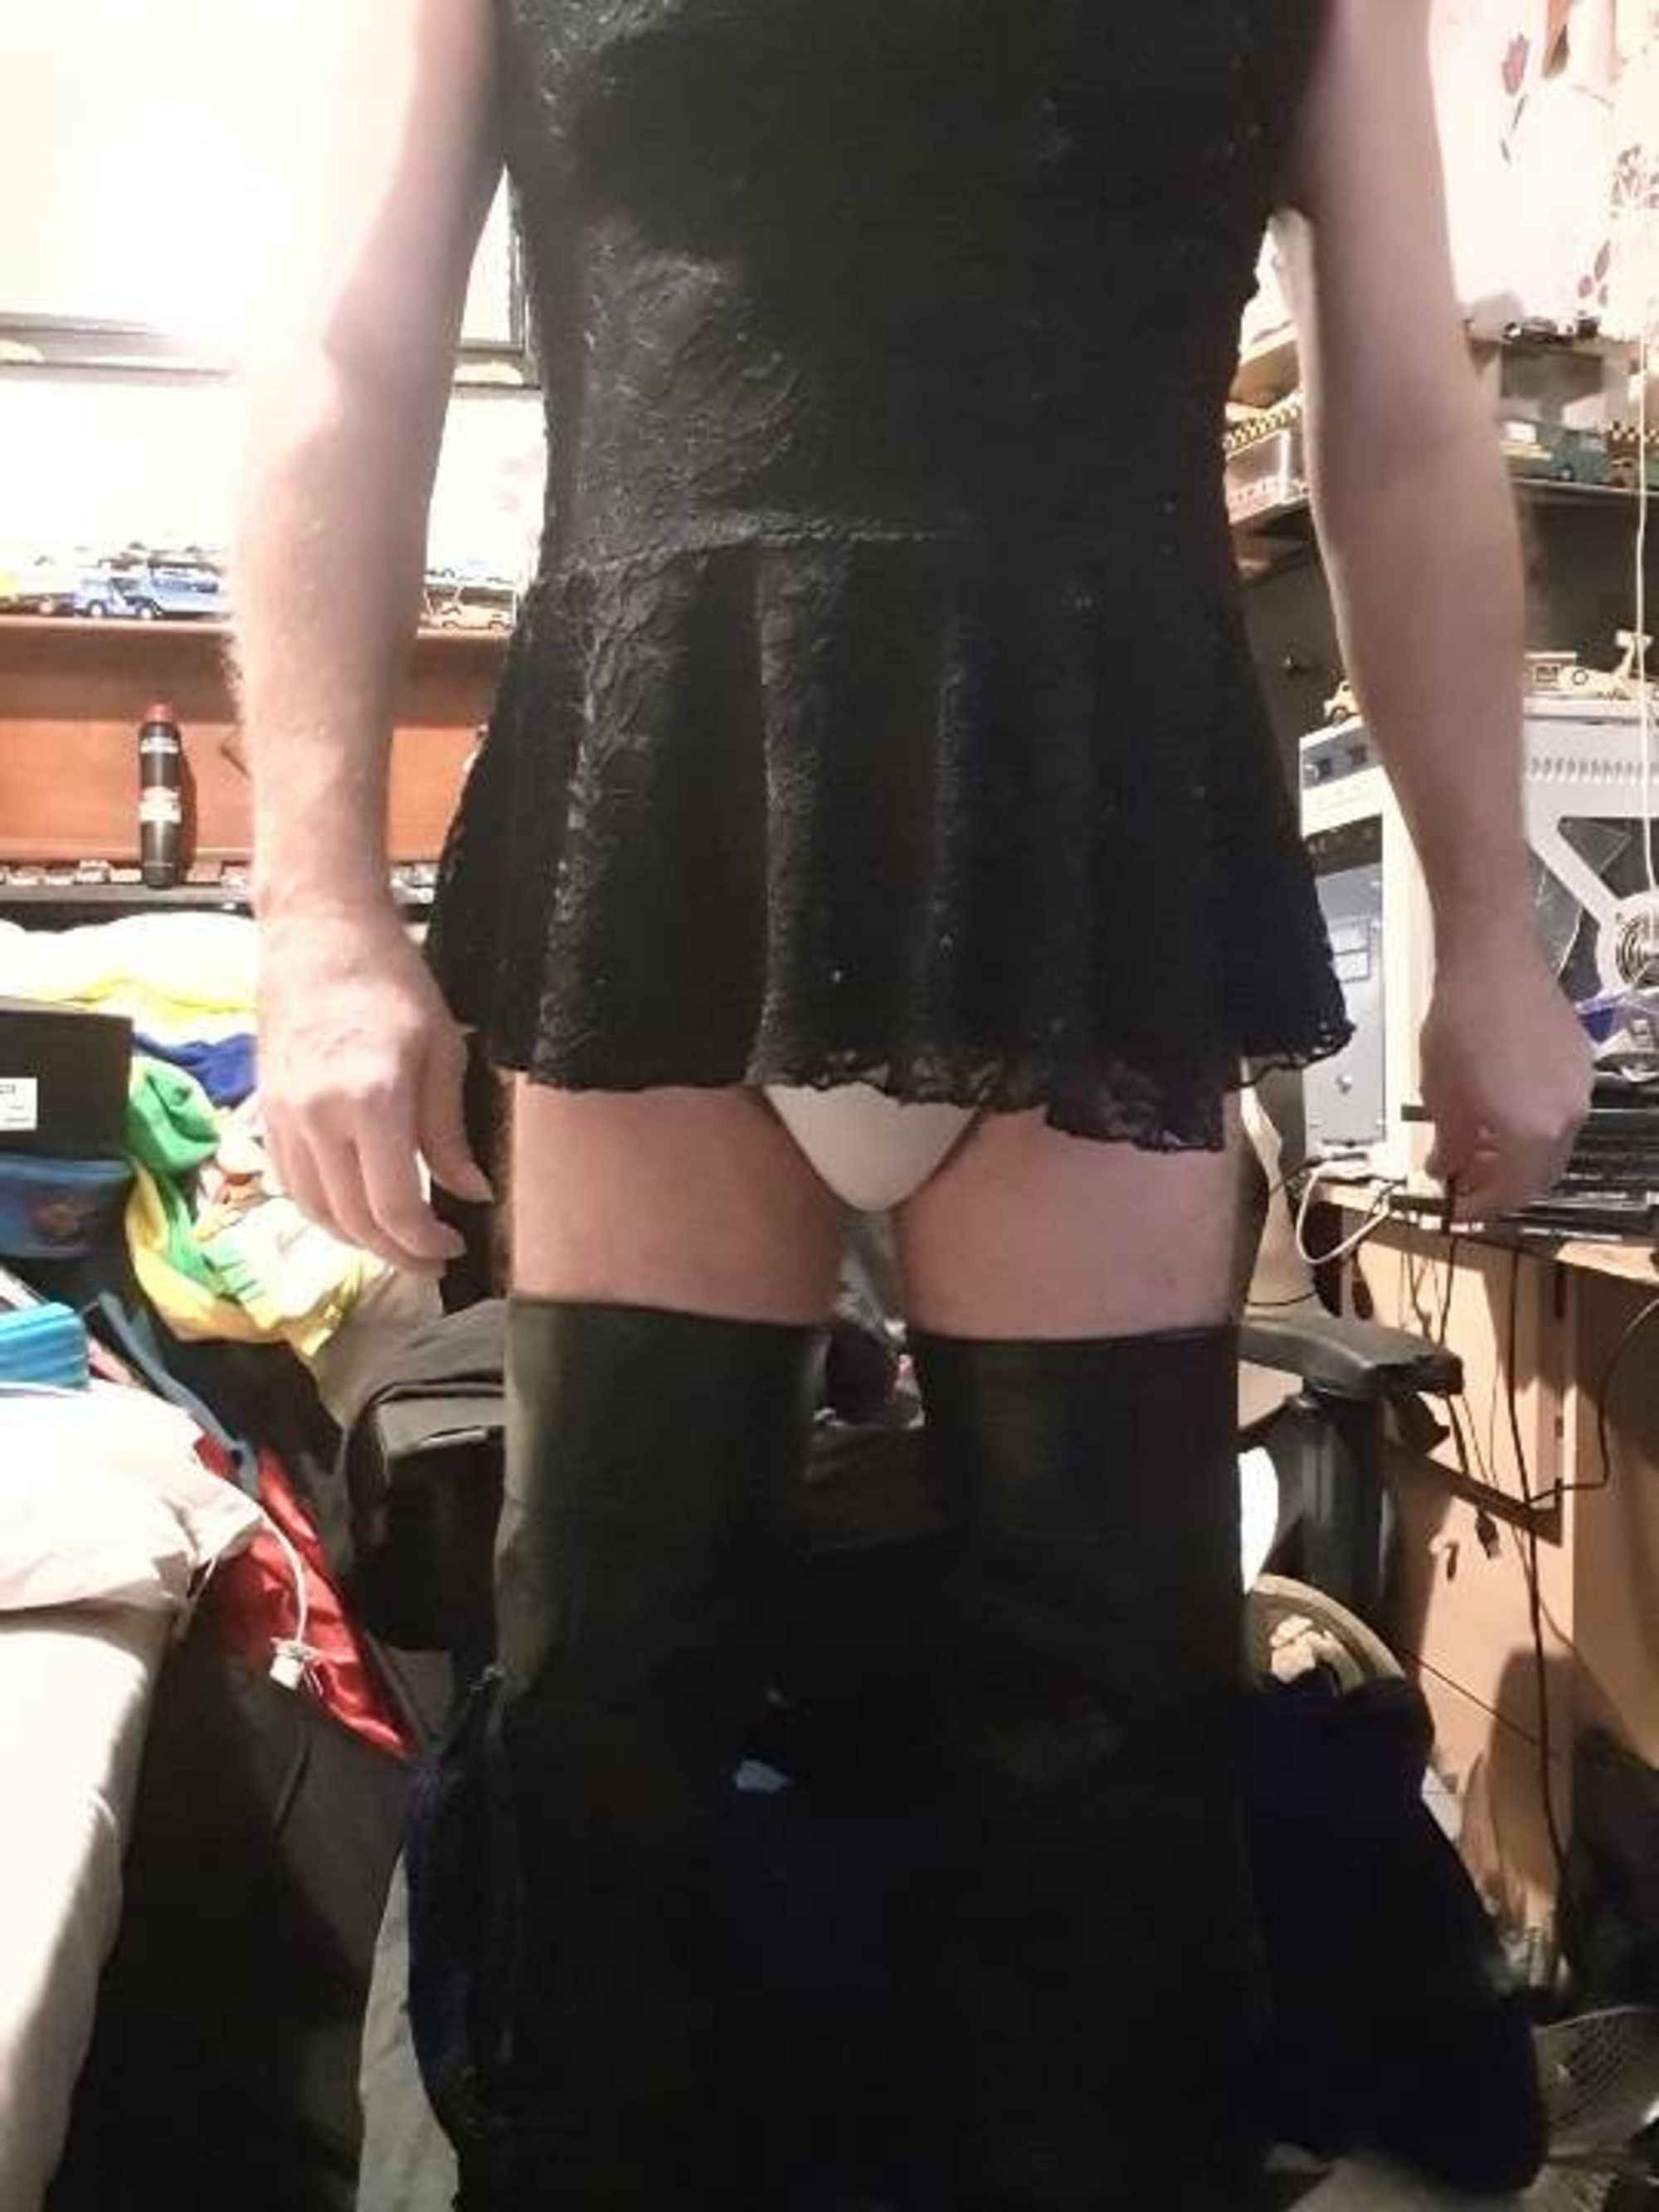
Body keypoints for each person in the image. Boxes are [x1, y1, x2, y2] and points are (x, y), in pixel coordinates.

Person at [235, 2, 1593, 2205]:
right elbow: (351, 348)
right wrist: (312, 910)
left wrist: (1497, 931)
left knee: (1116, 1763)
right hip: (670, 802)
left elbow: (1408, 412)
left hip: (1088, 800)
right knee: (605, 1733)